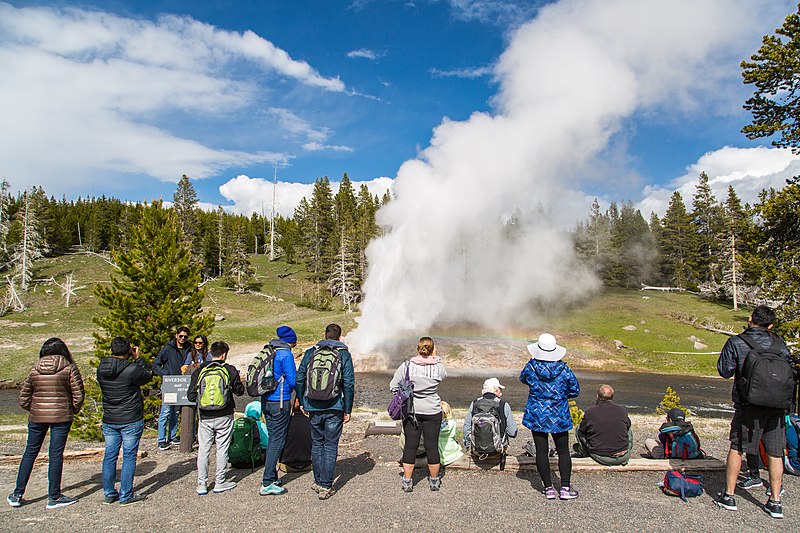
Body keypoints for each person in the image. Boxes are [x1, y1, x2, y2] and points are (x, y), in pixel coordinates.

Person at [714, 305, 793, 519]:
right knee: (776, 452)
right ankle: (775, 501)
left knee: (737, 447)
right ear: (771, 325)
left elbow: (724, 371)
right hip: (777, 407)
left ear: (750, 319)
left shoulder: (737, 342)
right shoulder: (780, 343)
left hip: (748, 405)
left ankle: (729, 496)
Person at [8, 338, 85, 509]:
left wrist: (34, 409)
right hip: (61, 417)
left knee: (30, 453)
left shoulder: (35, 368)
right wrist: (71, 409)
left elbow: (23, 398)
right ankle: (54, 496)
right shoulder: (68, 368)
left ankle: (17, 494)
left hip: (37, 417)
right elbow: (78, 394)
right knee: (55, 455)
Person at [295, 323, 355, 499]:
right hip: (335, 407)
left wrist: (303, 401)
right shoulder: (343, 354)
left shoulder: (311, 353)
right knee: (330, 445)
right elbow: (349, 384)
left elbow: (300, 378)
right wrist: (348, 408)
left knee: (317, 442)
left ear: (325, 335)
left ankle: (317, 480)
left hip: (313, 405)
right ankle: (326, 485)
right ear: (339, 337)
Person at [520, 333, 580, 500]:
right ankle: (566, 487)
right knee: (563, 451)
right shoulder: (564, 369)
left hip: (537, 414)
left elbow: (522, 379)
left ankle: (548, 488)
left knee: (541, 451)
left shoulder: (531, 367)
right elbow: (575, 390)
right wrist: (559, 395)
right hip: (559, 414)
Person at [96, 337, 153, 506]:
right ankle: (126, 494)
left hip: (110, 417)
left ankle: (109, 492)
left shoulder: (101, 368)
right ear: (129, 350)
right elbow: (147, 377)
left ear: (111, 350)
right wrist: (139, 359)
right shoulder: (132, 368)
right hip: (130, 418)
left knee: (110, 456)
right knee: (129, 456)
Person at [187, 340, 244, 495]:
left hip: (205, 415)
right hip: (224, 414)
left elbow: (190, 395)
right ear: (224, 354)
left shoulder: (200, 370)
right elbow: (240, 391)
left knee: (204, 449)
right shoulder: (229, 369)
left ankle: (201, 483)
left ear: (211, 353)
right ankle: (220, 481)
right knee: (222, 448)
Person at [390, 336, 447, 492]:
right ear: (433, 349)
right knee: (432, 447)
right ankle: (434, 481)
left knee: (410, 447)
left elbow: (393, 386)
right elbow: (443, 375)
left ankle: (407, 481)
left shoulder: (407, 366)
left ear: (418, 348)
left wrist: (406, 394)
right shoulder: (438, 367)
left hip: (412, 411)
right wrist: (436, 356)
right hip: (433, 411)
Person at [259, 325, 298, 496]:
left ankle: (273, 476)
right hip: (279, 403)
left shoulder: (269, 351)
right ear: (290, 342)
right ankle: (267, 482)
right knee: (277, 440)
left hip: (266, 402)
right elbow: (293, 380)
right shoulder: (285, 354)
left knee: (272, 438)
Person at [574, 384, 633, 466]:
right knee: (628, 429)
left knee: (578, 429)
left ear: (597, 396)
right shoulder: (622, 410)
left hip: (600, 455)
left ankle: (585, 452)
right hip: (623, 456)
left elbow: (582, 430)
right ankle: (623, 448)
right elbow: (628, 425)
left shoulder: (590, 411)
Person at [153, 326, 191, 450]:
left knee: (175, 411)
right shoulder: (168, 349)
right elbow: (156, 364)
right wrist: (166, 374)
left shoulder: (189, 348)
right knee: (166, 411)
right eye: (181, 336)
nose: (183, 338)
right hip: (170, 383)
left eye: (185, 336)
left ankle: (173, 436)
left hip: (182, 383)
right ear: (176, 336)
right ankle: (161, 439)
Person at [463, 378, 518, 460]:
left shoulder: (474, 403)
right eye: (499, 390)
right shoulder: (503, 404)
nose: (501, 393)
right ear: (495, 390)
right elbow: (512, 432)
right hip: (497, 451)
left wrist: (469, 447)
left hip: (476, 451)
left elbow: (466, 427)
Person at [280, 398, 312, 473]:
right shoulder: (311, 422)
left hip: (287, 465)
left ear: (291, 408)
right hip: (308, 464)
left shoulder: (285, 423)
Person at [438, 401, 464, 466]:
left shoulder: (435, 424)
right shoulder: (452, 423)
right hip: (451, 450)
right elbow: (454, 435)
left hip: (439, 449)